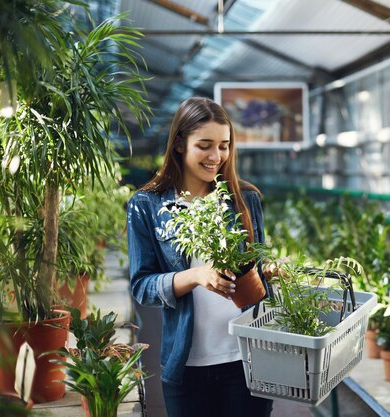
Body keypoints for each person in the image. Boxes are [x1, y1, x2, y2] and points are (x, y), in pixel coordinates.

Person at [126, 97, 273, 417]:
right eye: (205, 145)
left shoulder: (245, 199)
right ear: (180, 143)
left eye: (224, 146)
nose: (216, 156)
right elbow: (141, 286)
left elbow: (258, 272)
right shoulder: (146, 205)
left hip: (249, 360)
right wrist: (195, 275)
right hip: (186, 367)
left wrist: (272, 272)